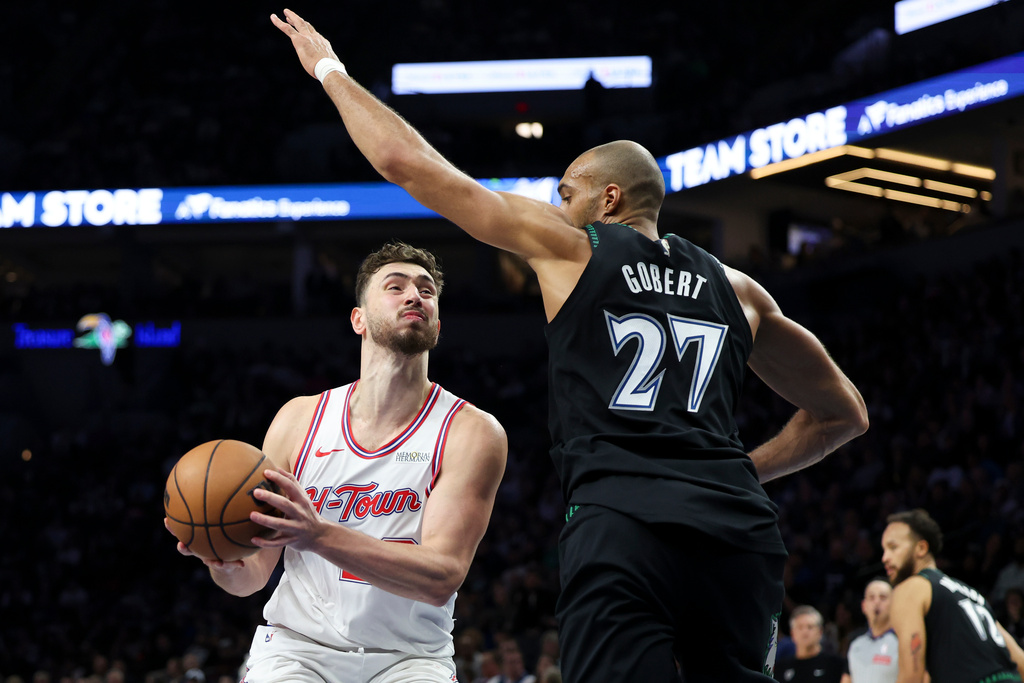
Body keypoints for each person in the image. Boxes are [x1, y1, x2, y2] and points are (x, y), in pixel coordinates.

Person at [269, 10, 869, 682]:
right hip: (740, 534)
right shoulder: (742, 291)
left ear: (608, 199)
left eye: (566, 193)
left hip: (624, 522)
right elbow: (845, 413)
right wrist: (740, 472)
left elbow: (404, 162)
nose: (555, 206)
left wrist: (329, 69)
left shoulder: (573, 248)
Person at [166, 242, 508, 683]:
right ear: (358, 319)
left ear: (437, 325)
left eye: (426, 290)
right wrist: (222, 559)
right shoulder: (299, 419)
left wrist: (319, 535)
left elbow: (441, 577)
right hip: (298, 650)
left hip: (410, 659)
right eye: (395, 286)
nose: (414, 296)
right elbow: (253, 576)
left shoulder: (471, 431)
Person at [882, 509, 1024, 683]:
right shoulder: (970, 594)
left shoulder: (910, 589)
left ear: (921, 548)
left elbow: (912, 676)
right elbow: (1020, 661)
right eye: (883, 550)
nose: (884, 558)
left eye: (893, 547)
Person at [773, 606, 850, 683]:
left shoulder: (836, 665)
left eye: (810, 627)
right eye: (800, 627)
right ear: (792, 633)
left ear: (820, 632)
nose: (805, 632)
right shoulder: (780, 668)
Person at [847, 580, 900, 683]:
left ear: (894, 603)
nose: (877, 602)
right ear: (863, 606)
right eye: (871, 598)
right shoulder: (855, 645)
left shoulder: (901, 642)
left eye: (883, 598)